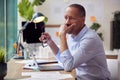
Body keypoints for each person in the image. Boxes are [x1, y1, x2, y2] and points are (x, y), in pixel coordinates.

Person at [39, 4, 111, 80]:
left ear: (83, 20)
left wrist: (62, 35)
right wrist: (50, 42)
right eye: (66, 18)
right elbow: (65, 60)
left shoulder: (90, 39)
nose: (67, 22)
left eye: (71, 18)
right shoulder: (72, 36)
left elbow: (68, 66)